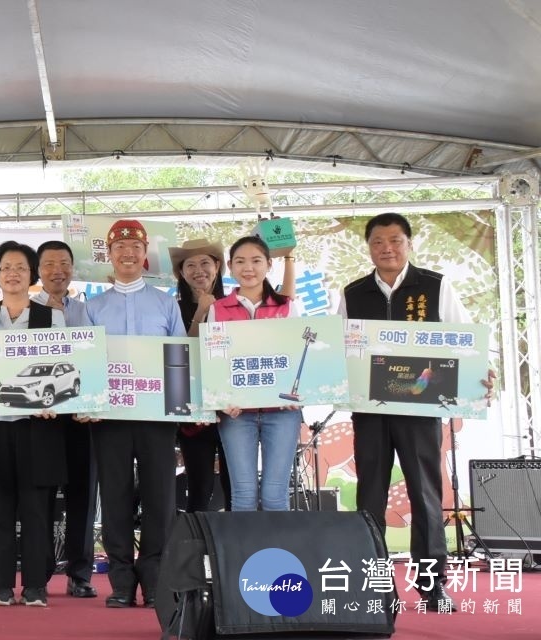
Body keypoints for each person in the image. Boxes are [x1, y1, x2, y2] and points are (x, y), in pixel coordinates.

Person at [337, 212, 493, 612]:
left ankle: (431, 585)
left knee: (425, 493)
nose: (386, 248)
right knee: (369, 494)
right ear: (368, 246)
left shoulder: (435, 286)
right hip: (370, 410)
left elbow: (464, 340)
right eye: (377, 242)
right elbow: (341, 349)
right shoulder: (353, 293)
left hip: (422, 407)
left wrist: (482, 374)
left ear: (408, 243)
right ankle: (375, 586)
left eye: (395, 240)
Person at [84, 219, 185, 608]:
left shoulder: (165, 302)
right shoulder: (93, 307)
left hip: (157, 416)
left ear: (145, 256)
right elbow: (86, 362)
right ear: (109, 255)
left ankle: (157, 576)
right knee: (115, 496)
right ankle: (122, 579)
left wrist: (180, 407)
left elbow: (178, 357)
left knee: (161, 497)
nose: (127, 253)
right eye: (119, 248)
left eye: (135, 247)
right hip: (109, 418)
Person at [0, 240, 67, 608]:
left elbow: (64, 364)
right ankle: (2, 585)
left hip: (37, 425)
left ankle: (37, 586)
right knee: (1, 511)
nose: (13, 274)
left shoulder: (51, 317)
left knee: (37, 511)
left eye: (21, 267)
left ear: (32, 275)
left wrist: (57, 403)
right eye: (6, 267)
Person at [209, 236, 302, 512]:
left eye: (256, 261)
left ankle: (277, 556)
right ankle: (244, 556)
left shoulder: (286, 307)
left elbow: (298, 357)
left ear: (269, 265)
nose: (248, 268)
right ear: (230, 266)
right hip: (237, 415)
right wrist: (222, 399)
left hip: (282, 412)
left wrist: (295, 393)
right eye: (240, 261)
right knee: (243, 495)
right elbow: (215, 361)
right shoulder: (217, 309)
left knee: (276, 496)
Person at [31, 240, 97, 599]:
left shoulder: (86, 310)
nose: (57, 270)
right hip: (41, 415)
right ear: (38, 271)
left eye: (64, 263)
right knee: (40, 494)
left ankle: (80, 573)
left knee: (82, 494)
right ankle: (39, 571)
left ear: (73, 268)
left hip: (80, 415)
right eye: (49, 264)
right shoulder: (26, 310)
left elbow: (93, 355)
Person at [168, 238, 231, 513]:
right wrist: (202, 311)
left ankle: (235, 551)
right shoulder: (171, 308)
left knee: (236, 485)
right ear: (181, 273)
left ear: (217, 266)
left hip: (233, 406)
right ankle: (197, 552)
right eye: (190, 265)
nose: (198, 270)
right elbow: (180, 354)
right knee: (199, 488)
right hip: (193, 409)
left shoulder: (234, 305)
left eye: (205, 262)